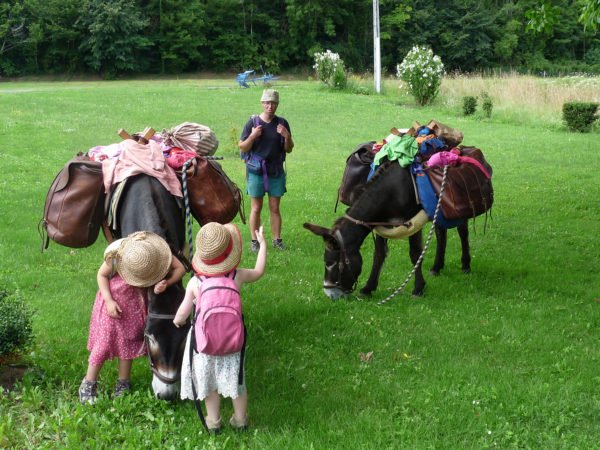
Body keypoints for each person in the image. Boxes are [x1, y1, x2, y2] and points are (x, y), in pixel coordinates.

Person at [174, 222, 267, 434]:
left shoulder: (196, 282)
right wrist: (262, 245)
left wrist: (178, 322)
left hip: (204, 346)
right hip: (233, 344)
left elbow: (182, 314)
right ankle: (240, 420)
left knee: (210, 386)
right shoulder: (237, 276)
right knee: (237, 383)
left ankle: (214, 422)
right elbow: (259, 271)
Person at [79, 231, 185, 405]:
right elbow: (101, 275)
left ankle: (123, 383)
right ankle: (88, 383)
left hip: (134, 309)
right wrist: (108, 300)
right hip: (113, 308)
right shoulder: (118, 255)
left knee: (127, 345)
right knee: (103, 345)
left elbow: (180, 268)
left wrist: (167, 283)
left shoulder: (155, 253)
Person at [239, 89, 294, 252]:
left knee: (275, 208)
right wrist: (252, 136)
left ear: (277, 104)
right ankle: (255, 241)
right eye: (267, 103)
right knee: (256, 208)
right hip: (256, 171)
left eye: (273, 103)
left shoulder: (282, 123)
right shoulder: (252, 123)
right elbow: (242, 147)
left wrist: (287, 136)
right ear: (262, 103)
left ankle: (277, 240)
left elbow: (289, 149)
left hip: (276, 170)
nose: (270, 106)